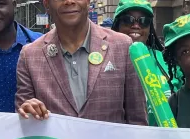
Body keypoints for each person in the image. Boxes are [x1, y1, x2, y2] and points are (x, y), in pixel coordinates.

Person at [15, 0, 147, 126]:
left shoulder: (122, 46)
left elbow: (137, 119)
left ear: (88, 1)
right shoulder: (30, 55)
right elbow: (23, 119)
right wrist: (28, 112)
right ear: (46, 4)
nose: (69, 1)